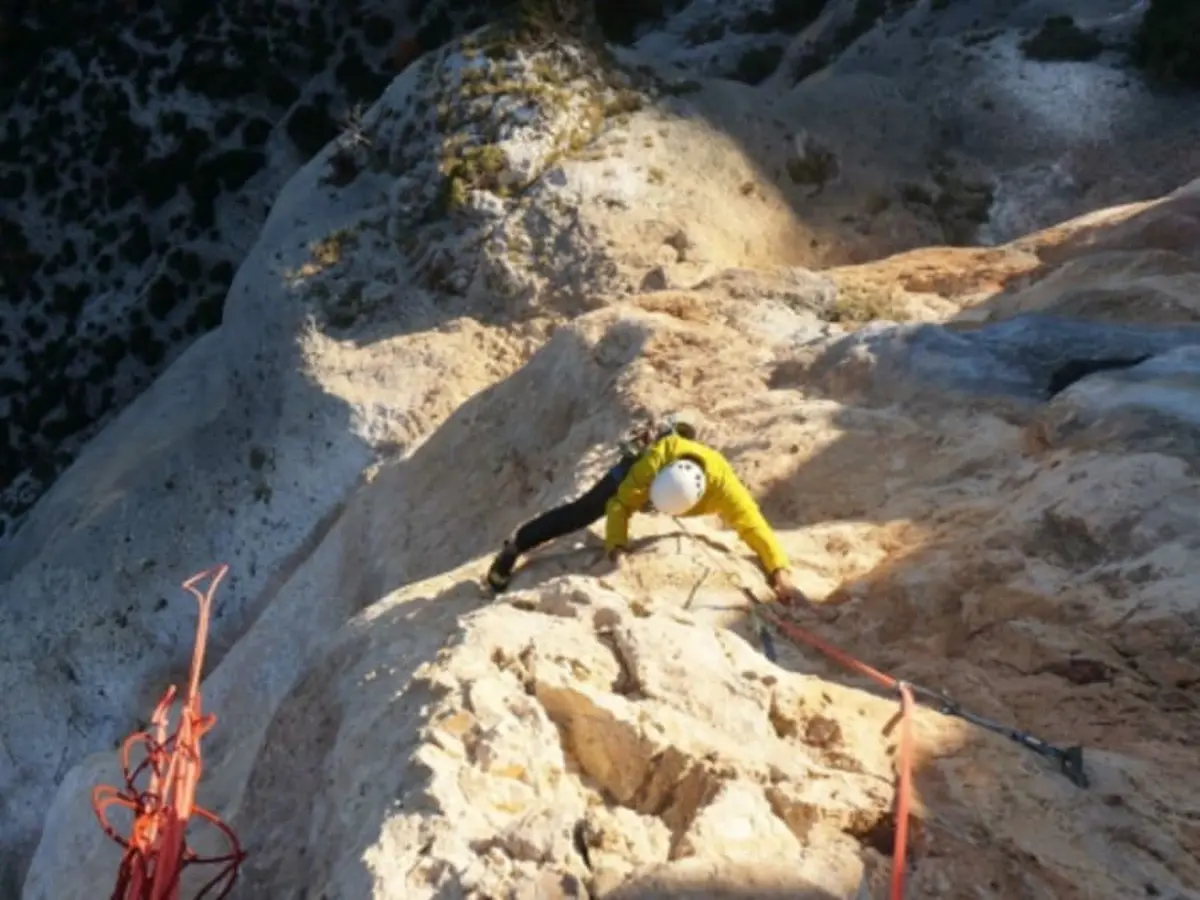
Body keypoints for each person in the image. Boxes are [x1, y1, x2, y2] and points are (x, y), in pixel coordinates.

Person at [485, 417, 807, 606]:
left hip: (672, 472)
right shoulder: (650, 464)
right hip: (640, 466)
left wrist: (781, 574)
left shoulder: (725, 488)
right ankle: (517, 543)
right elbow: (620, 505)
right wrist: (616, 547)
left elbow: (755, 527)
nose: (650, 511)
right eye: (650, 505)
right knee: (584, 511)